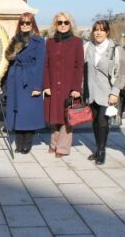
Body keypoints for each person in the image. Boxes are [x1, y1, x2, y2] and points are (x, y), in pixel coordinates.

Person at [84, 20, 125, 164]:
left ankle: (102, 151)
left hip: (108, 93)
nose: (98, 32)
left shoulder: (116, 49)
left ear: (107, 32)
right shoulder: (88, 47)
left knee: (103, 122)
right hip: (91, 92)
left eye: (102, 30)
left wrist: (115, 92)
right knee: (95, 122)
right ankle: (97, 148)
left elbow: (122, 73)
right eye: (96, 30)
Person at [43, 12, 84, 158]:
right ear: (55, 24)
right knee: (54, 116)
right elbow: (46, 65)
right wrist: (46, 85)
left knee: (67, 117)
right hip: (53, 85)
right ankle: (53, 144)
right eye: (59, 22)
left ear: (70, 24)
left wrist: (76, 88)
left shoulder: (77, 42)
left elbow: (79, 66)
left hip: (68, 85)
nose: (62, 25)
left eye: (66, 22)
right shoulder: (50, 42)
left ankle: (63, 147)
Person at [4, 13, 45, 154]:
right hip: (16, 78)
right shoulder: (15, 40)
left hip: (30, 79)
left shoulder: (39, 41)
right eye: (22, 23)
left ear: (33, 24)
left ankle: (27, 143)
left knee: (29, 112)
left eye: (28, 22)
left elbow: (40, 65)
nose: (25, 25)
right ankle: (19, 142)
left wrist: (38, 86)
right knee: (17, 111)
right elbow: (9, 59)